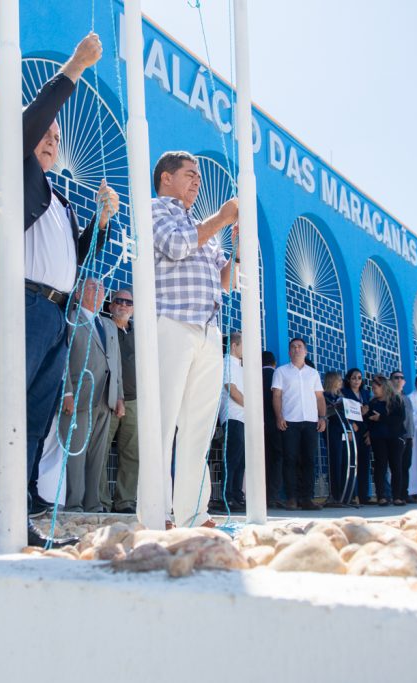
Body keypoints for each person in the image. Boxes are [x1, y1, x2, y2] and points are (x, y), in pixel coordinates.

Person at [0, 33, 120, 550]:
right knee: (5, 416)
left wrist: (101, 224)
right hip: (17, 303)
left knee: (35, 421)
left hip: (54, 316)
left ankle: (15, 519)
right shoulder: (8, 167)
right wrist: (72, 70)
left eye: (55, 137)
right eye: (44, 130)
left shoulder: (58, 200)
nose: (51, 139)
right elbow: (24, 132)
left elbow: (77, 259)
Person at [151, 151, 238, 528]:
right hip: (172, 322)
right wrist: (221, 218)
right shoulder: (156, 208)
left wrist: (238, 246)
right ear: (166, 178)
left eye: (198, 178)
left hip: (208, 331)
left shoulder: (205, 228)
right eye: (189, 175)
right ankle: (155, 512)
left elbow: (227, 281)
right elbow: (175, 246)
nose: (196, 182)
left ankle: (192, 511)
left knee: (199, 428)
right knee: (162, 422)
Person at [60, 279, 123, 512]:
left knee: (98, 455)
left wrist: (120, 397)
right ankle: (73, 503)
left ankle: (93, 503)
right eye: (91, 287)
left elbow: (115, 364)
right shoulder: (70, 320)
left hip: (106, 398)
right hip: (78, 397)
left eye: (101, 288)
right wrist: (66, 392)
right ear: (77, 294)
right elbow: (63, 358)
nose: (98, 291)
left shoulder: (108, 325)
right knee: (75, 453)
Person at [271, 338, 327, 511]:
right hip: (290, 422)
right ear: (289, 352)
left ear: (306, 351)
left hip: (310, 422)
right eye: (293, 347)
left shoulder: (313, 373)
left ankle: (307, 499)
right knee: (290, 460)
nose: (296, 349)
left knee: (309, 460)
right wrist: (279, 416)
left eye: (300, 347)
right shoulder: (281, 372)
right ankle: (292, 498)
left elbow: (319, 397)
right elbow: (277, 396)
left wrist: (322, 417)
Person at [98, 288, 139, 514]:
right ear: (111, 305)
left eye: (128, 303)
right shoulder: (102, 328)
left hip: (135, 401)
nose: (124, 305)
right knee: (101, 451)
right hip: (107, 398)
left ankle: (125, 501)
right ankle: (101, 501)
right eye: (119, 301)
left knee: (132, 454)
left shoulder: (139, 334)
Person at [367, 374, 408, 506]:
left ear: (384, 387)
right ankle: (381, 496)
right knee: (380, 467)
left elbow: (399, 419)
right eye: (372, 388)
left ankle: (397, 496)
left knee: (396, 466)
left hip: (395, 438)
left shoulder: (396, 400)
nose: (374, 390)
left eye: (376, 388)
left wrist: (381, 418)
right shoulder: (373, 402)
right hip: (378, 438)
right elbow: (369, 420)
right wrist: (365, 414)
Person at [220, 332, 246, 512]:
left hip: (243, 417)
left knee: (242, 460)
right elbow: (231, 388)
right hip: (233, 415)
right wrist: (251, 407)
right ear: (234, 346)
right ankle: (226, 496)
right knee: (232, 458)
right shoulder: (227, 362)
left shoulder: (240, 365)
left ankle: (236, 494)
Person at [342, 368, 374, 504]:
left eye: (359, 378)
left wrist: (370, 431)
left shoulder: (366, 394)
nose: (356, 381)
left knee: (364, 464)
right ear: (348, 379)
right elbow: (343, 410)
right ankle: (351, 495)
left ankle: (364, 496)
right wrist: (350, 425)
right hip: (351, 430)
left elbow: (371, 414)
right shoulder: (344, 393)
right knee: (351, 463)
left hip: (364, 432)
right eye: (354, 378)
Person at [322, 371, 350, 504]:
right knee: (335, 461)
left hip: (343, 431)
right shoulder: (325, 396)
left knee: (344, 461)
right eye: (338, 380)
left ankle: (344, 493)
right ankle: (335, 494)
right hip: (331, 431)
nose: (341, 382)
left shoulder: (342, 396)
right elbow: (324, 412)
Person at [390, 371, 417, 503]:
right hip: (396, 436)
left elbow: (410, 419)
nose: (399, 380)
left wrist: (411, 436)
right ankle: (395, 495)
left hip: (408, 436)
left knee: (406, 466)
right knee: (396, 466)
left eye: (401, 377)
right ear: (391, 381)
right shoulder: (389, 397)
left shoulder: (407, 398)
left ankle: (404, 493)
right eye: (396, 377)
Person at [261, 350, 285, 508]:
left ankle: (259, 495)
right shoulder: (278, 375)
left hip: (257, 423)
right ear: (274, 363)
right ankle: (273, 495)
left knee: (261, 460)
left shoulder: (253, 375)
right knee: (277, 459)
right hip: (276, 423)